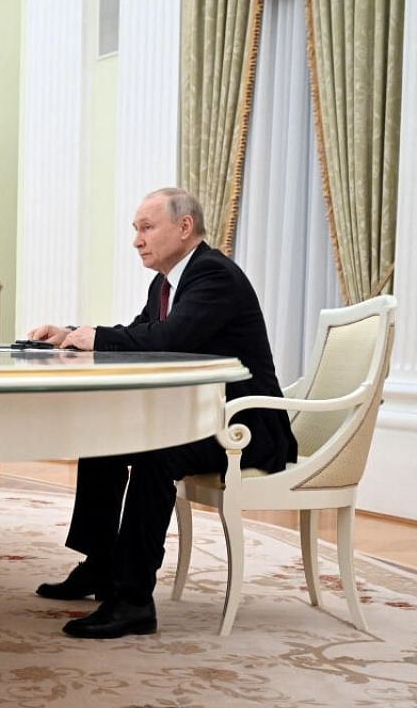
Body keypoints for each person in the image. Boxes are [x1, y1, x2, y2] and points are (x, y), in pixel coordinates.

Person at [25, 187, 297, 639]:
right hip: (206, 416)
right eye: (136, 230)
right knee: (105, 438)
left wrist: (95, 337)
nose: (137, 240)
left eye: (147, 228)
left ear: (184, 227)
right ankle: (100, 565)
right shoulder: (167, 282)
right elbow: (139, 334)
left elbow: (169, 339)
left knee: (157, 456)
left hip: (246, 424)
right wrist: (70, 333)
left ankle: (132, 600)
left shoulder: (214, 275)